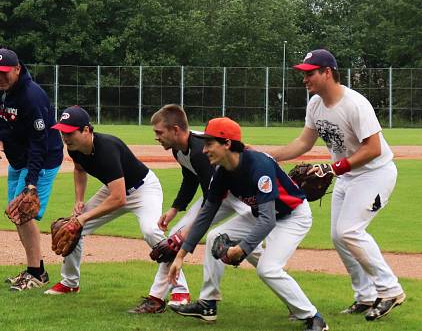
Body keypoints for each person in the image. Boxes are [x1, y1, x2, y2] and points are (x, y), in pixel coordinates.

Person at [269, 49, 405, 321]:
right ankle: (365, 296)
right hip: (346, 176)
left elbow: (374, 148)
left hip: (374, 174)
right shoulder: (315, 105)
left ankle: (390, 289)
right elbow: (304, 142)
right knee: (338, 237)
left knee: (349, 231)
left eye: (309, 74)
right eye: (304, 74)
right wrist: (271, 156)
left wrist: (335, 167)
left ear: (327, 72)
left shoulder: (355, 104)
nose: (304, 79)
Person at [167, 117, 329, 331]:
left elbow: (268, 219)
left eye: (209, 144)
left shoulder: (258, 165)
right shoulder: (222, 172)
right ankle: (208, 304)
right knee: (216, 235)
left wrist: (241, 249)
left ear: (227, 144)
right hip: (262, 213)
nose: (204, 150)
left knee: (268, 269)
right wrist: (181, 256)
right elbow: (206, 214)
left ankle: (313, 317)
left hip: (292, 216)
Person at [44, 106, 190, 303]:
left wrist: (83, 217)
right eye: (63, 131)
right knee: (73, 228)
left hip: (143, 190)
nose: (65, 136)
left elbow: (119, 198)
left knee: (150, 231)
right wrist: (79, 200)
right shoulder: (74, 147)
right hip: (115, 188)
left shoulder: (107, 149)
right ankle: (70, 283)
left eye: (69, 132)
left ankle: (181, 290)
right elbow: (79, 170)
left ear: (86, 130)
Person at [126, 104, 252, 314]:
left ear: (175, 130)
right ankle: (156, 299)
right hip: (217, 194)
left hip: (239, 195)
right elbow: (190, 179)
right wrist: (175, 209)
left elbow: (212, 200)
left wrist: (185, 233)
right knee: (172, 243)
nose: (156, 137)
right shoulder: (179, 150)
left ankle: (282, 285)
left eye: (159, 132)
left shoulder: (199, 151)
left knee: (259, 255)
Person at [0, 48, 63, 291]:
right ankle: (36, 270)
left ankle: (35, 273)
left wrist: (31, 182)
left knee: (22, 212)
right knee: (16, 214)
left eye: (3, 72)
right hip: (18, 159)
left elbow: (39, 143)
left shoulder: (33, 97)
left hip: (42, 159)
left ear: (17, 69)